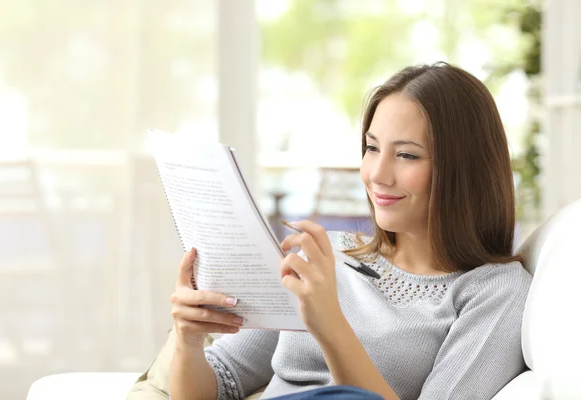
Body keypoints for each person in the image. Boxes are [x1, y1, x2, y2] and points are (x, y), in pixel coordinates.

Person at [128, 62, 532, 400]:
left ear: (464, 172)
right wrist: (189, 338)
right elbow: (220, 382)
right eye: (372, 148)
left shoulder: (495, 291)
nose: (377, 174)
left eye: (406, 155)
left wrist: (328, 321)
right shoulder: (328, 258)